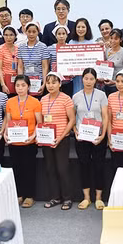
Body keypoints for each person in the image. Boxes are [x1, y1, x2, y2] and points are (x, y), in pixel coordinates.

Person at [37, 72, 75, 210]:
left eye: (54, 82)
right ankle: (55, 197)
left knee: (62, 169)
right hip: (47, 139)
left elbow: (72, 120)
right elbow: (41, 120)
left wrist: (60, 137)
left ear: (60, 84)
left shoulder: (66, 99)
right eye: (48, 82)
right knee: (50, 169)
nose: (51, 85)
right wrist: (41, 135)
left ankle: (67, 198)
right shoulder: (43, 99)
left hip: (61, 139)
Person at [72, 68, 109, 210]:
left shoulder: (101, 95)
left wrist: (103, 134)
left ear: (95, 80)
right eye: (86, 78)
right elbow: (72, 117)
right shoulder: (76, 96)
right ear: (82, 79)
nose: (88, 81)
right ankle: (86, 197)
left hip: (98, 136)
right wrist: (75, 131)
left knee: (99, 165)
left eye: (91, 79)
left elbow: (105, 116)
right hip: (82, 137)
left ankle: (99, 198)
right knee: (84, 165)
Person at [4, 75, 41, 208]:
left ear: (28, 87)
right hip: (14, 142)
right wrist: (5, 133)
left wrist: (33, 136)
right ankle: (19, 194)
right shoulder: (10, 102)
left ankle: (29, 196)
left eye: (23, 85)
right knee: (16, 169)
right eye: (18, 86)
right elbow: (8, 121)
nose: (20, 88)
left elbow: (39, 122)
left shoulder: (35, 102)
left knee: (29, 169)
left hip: (29, 141)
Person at [17, 22, 49, 98]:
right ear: (25, 32)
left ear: (38, 32)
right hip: (26, 82)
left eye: (34, 32)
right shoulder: (21, 47)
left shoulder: (43, 47)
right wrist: (21, 83)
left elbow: (45, 67)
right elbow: (20, 67)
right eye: (29, 32)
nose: (31, 34)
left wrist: (44, 83)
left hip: (39, 82)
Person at [47, 25, 74, 97]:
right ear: (55, 36)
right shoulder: (50, 48)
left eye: (63, 34)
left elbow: (74, 62)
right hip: (54, 81)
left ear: (67, 35)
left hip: (68, 81)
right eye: (59, 34)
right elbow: (47, 65)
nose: (61, 36)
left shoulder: (71, 48)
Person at [69, 18, 94, 95]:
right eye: (78, 27)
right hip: (75, 75)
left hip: (88, 75)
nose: (80, 29)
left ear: (87, 28)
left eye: (83, 27)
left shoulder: (92, 43)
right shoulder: (71, 42)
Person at [104, 29, 123, 95]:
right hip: (106, 86)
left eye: (116, 39)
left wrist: (114, 82)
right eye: (111, 38)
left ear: (121, 40)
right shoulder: (107, 51)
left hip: (119, 87)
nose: (113, 41)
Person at [0, 27, 19, 95]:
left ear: (15, 36)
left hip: (15, 80)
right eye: (6, 35)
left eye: (11, 35)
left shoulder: (18, 49)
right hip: (4, 81)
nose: (8, 37)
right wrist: (3, 84)